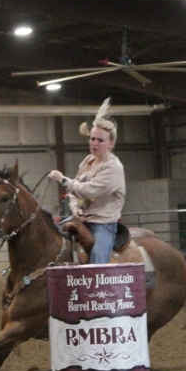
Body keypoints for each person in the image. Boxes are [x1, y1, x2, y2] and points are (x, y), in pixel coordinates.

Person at [48, 98, 126, 264]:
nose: (94, 143)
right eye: (92, 138)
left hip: (103, 224)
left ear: (111, 143)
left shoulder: (113, 168)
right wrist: (75, 208)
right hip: (81, 220)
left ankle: (99, 280)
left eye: (100, 140)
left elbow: (88, 191)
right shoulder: (87, 161)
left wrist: (62, 179)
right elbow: (74, 193)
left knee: (98, 259)